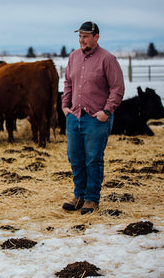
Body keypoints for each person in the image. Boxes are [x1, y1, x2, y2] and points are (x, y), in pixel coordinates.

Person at [61, 21, 125, 215]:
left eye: (86, 36)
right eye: (80, 36)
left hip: (96, 119)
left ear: (96, 37)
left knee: (93, 159)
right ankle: (78, 196)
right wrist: (65, 106)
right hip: (75, 116)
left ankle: (91, 199)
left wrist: (106, 112)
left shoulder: (107, 59)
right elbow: (68, 83)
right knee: (75, 158)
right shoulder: (73, 57)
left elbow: (118, 88)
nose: (82, 40)